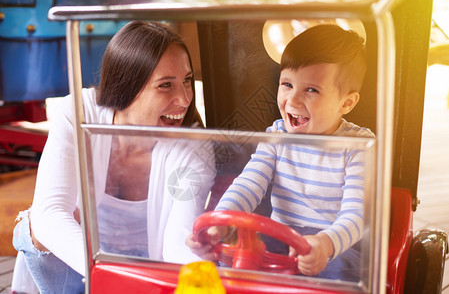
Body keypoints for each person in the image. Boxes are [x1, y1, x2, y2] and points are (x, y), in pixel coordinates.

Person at [12, 20, 216, 294]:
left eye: (187, 81)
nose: (184, 99)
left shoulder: (193, 147)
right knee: (38, 226)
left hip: (145, 268)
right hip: (77, 259)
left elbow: (178, 242)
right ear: (128, 86)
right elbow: (49, 216)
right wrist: (112, 274)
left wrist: (201, 284)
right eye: (166, 85)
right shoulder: (80, 113)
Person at [186, 24, 374, 281]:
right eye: (287, 84)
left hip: (335, 246)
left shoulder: (358, 145)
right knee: (229, 261)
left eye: (311, 90)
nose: (292, 101)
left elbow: (356, 215)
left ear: (347, 102)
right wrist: (219, 221)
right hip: (278, 238)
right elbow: (249, 183)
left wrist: (325, 244)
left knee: (340, 272)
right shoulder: (276, 135)